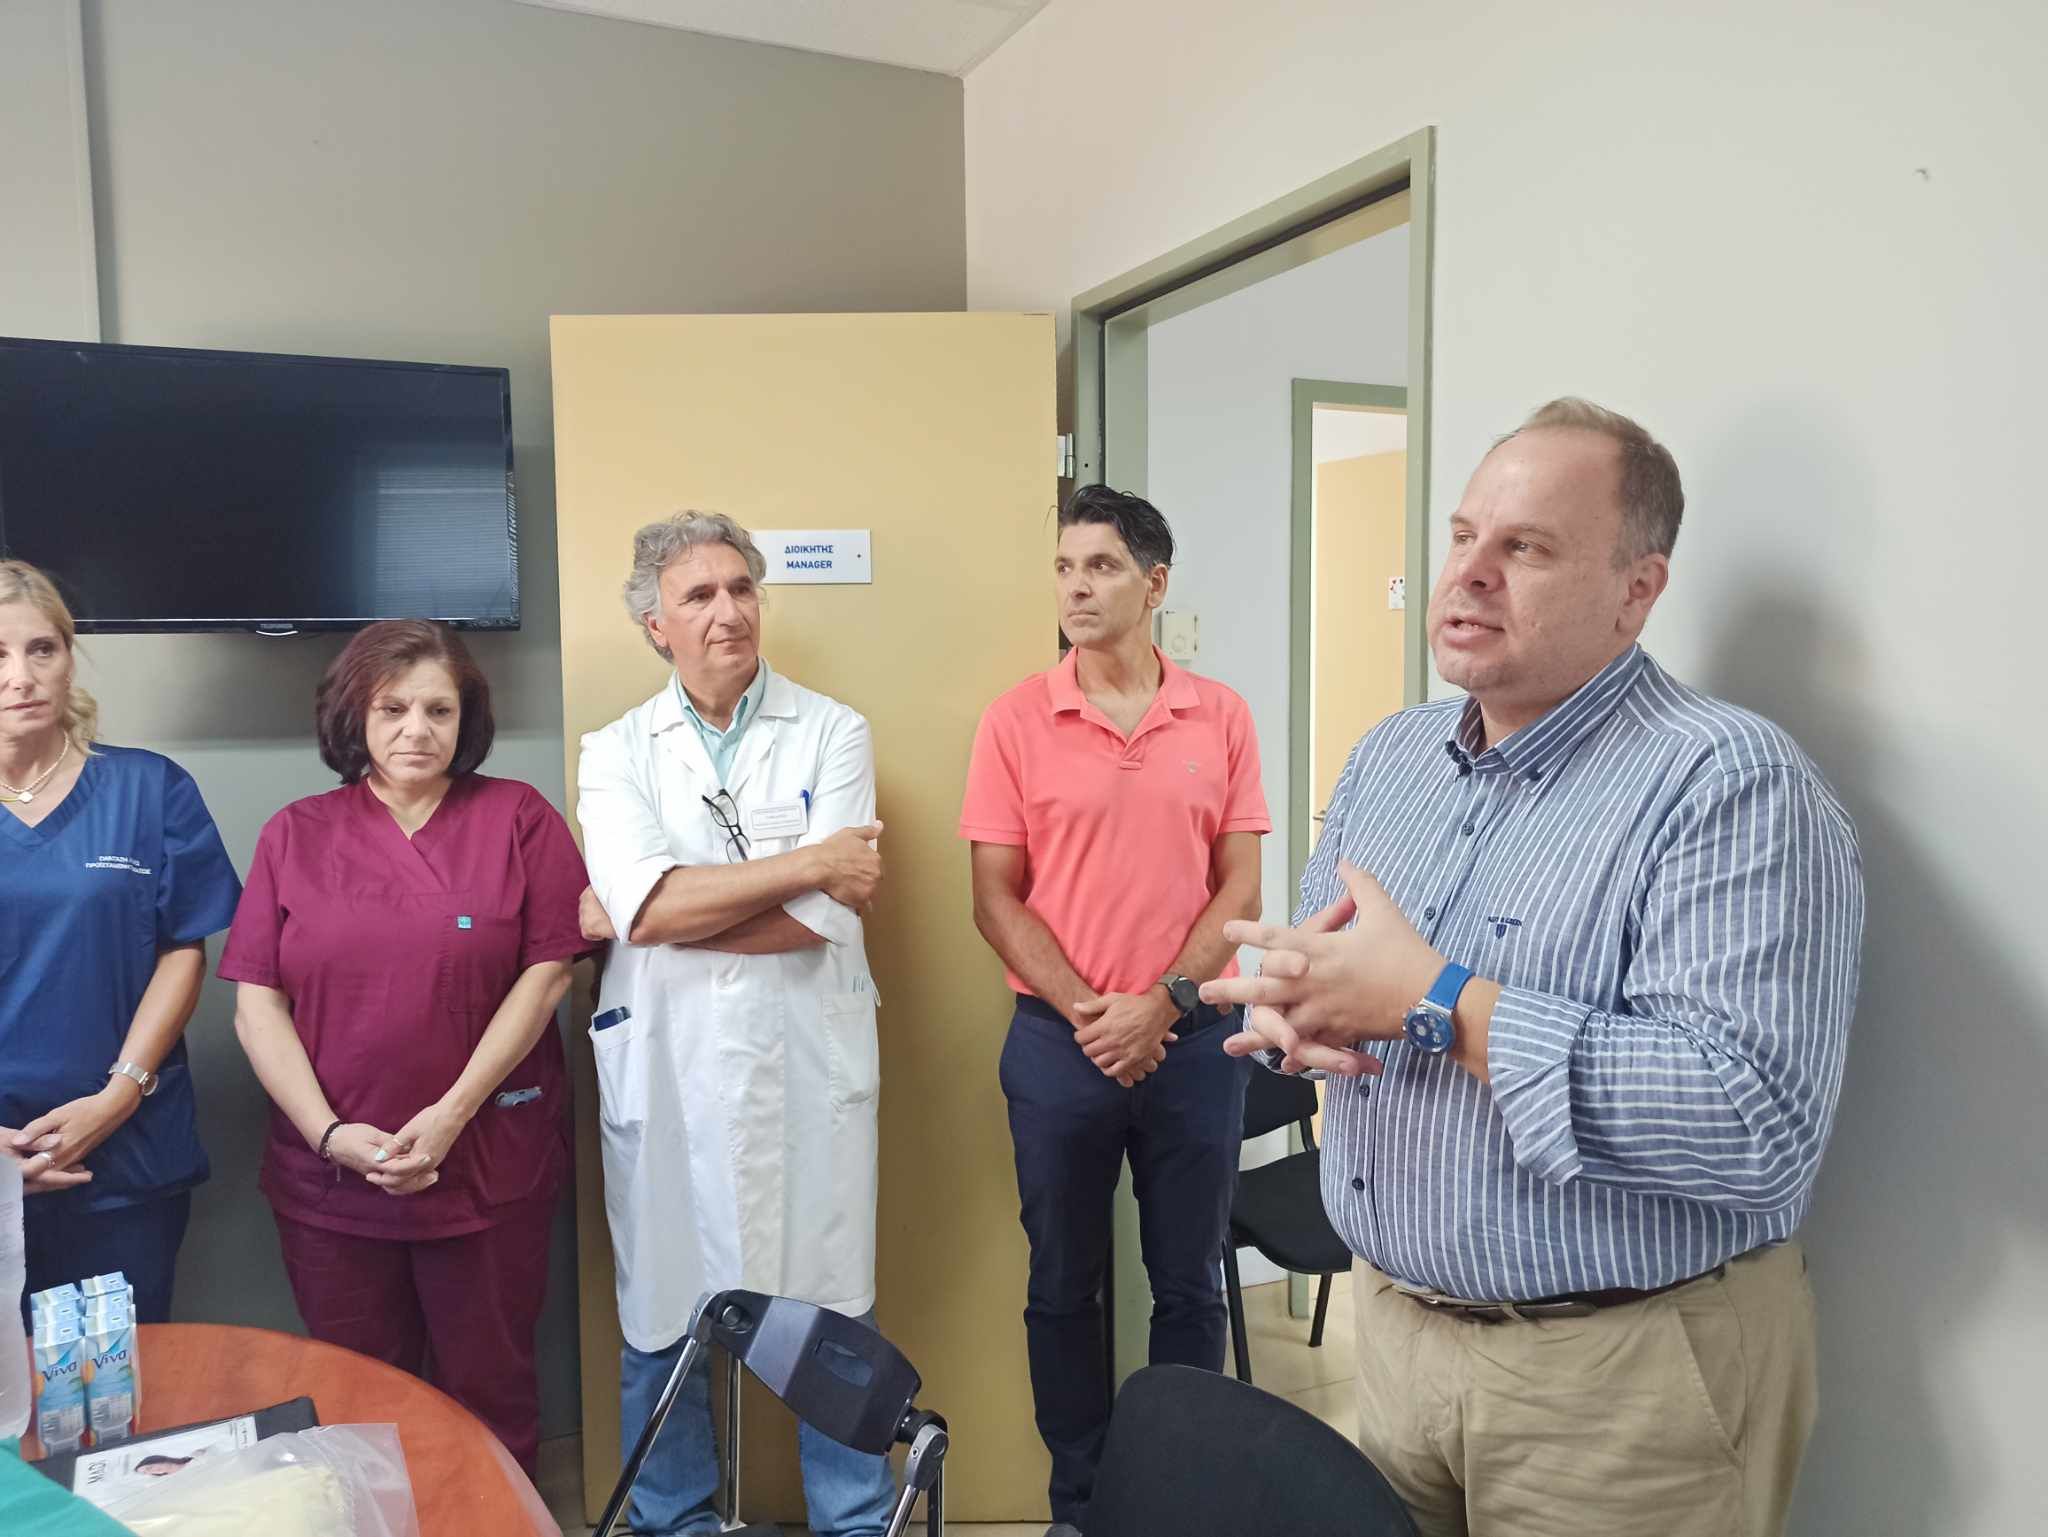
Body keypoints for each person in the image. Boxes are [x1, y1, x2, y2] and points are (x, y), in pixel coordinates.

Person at [1202, 399, 1865, 1537]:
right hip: (1396, 1334)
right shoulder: (1394, 755)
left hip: (1618, 1375)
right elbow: (1331, 961)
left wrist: (1436, 1003)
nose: (1468, 573)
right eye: (1464, 535)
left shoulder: (1728, 785)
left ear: (1635, 590)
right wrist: (1294, 1009)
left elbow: (1750, 1121)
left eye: (1526, 547)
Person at [577, 511, 895, 1537]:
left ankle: (854, 1519)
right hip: (668, 1068)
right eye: (699, 595)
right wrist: (808, 862)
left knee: (830, 1306)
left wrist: (666, 909)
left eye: (741, 588)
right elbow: (651, 907)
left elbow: (820, 921)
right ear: (655, 626)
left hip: (806, 1063)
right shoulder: (614, 751)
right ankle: (674, 1519)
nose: (728, 611)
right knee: (663, 1305)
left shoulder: (833, 730)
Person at [960, 485, 1270, 1537]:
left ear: (1154, 583)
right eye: (1063, 567)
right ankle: (1081, 1503)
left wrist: (1163, 1004)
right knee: (1062, 1285)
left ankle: (1175, 1502)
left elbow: (1240, 886)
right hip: (1059, 1045)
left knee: (1189, 1284)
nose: (1076, 587)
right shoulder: (1015, 719)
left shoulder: (1220, 715)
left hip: (1194, 1045)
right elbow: (993, 896)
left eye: (1099, 566)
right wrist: (1098, 1015)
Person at [218, 620, 590, 1475]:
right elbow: (257, 1005)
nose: (416, 729)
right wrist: (328, 1134)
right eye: (393, 708)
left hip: (485, 1164)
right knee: (358, 1401)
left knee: (491, 1391)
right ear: (355, 713)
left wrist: (452, 1115)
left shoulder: (519, 819)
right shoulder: (295, 832)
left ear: (467, 719)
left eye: (439, 710)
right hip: (333, 1182)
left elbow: (549, 975)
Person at [0, 560, 241, 1324]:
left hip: (125, 1155)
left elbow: (182, 948)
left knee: (117, 1379)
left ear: (69, 657)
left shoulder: (148, 788)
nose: (21, 676)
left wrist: (118, 1094)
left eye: (42, 649)